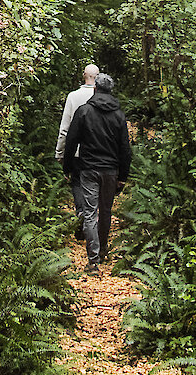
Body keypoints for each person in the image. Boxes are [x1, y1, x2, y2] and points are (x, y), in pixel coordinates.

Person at [62, 72, 132, 277]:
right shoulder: (118, 115)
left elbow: (71, 141)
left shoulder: (84, 112)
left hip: (88, 169)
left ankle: (93, 261)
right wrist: (123, 176)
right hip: (110, 170)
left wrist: (68, 167)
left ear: (95, 89)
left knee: (90, 212)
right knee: (106, 210)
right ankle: (102, 250)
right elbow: (124, 148)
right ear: (110, 91)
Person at [55, 63, 99, 240]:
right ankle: (93, 221)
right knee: (95, 186)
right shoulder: (103, 97)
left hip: (77, 152)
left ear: (83, 76)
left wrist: (60, 153)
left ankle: (81, 215)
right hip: (98, 151)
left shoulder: (73, 97)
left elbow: (64, 129)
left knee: (78, 184)